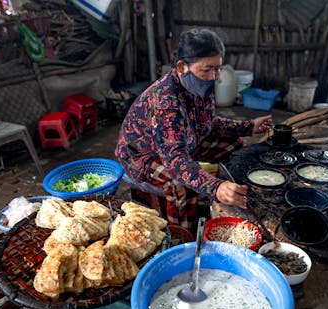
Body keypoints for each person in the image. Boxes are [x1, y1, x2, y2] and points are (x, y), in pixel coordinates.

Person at [115, 28, 273, 231]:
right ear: (182, 66)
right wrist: (214, 186)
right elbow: (176, 161)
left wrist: (248, 127)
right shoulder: (165, 103)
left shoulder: (199, 86)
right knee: (178, 183)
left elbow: (207, 123)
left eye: (217, 69)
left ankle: (221, 198)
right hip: (143, 155)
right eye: (207, 69)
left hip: (182, 142)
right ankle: (183, 234)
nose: (213, 76)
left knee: (234, 145)